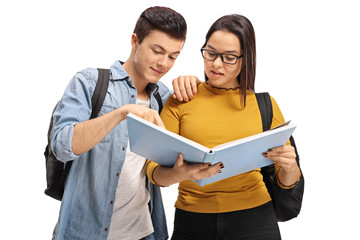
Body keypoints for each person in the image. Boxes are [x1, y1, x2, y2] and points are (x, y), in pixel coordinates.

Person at [50, 6, 216, 240]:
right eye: (157, 51)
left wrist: (196, 84)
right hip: (83, 232)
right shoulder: (89, 83)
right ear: (135, 41)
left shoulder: (165, 99)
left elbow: (172, 161)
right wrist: (121, 113)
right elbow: (62, 146)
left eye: (173, 56)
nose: (164, 63)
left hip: (143, 232)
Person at [148, 14, 302, 239]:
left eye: (229, 57)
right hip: (192, 222)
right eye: (210, 53)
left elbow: (286, 182)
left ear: (245, 58)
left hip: (256, 221)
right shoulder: (181, 98)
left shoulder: (264, 105)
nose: (216, 64)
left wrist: (290, 167)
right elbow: (154, 173)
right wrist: (181, 173)